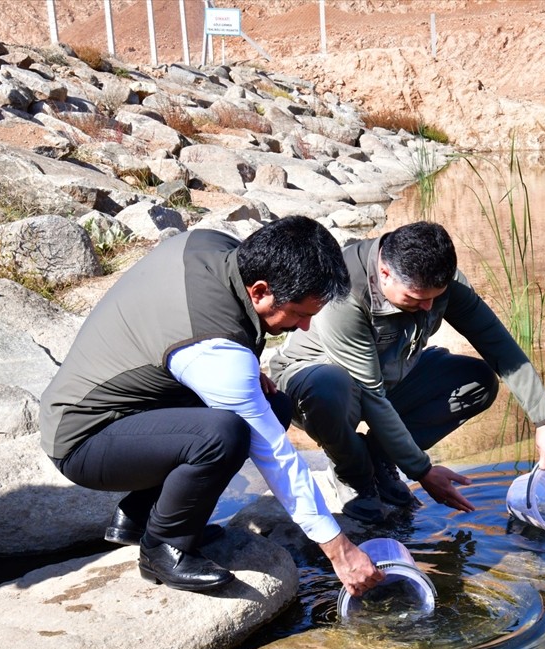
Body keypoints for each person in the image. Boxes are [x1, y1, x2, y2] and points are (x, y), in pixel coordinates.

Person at [39, 216, 384, 596]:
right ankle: (162, 548)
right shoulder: (215, 348)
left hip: (126, 410)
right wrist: (339, 550)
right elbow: (276, 456)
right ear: (260, 292)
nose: (303, 327)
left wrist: (246, 370)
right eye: (301, 314)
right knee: (224, 435)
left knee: (272, 405)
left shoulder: (213, 246)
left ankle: (141, 517)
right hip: (84, 440)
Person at [267, 220, 545, 524]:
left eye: (434, 298)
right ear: (384, 272)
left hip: (386, 379)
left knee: (477, 382)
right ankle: (353, 474)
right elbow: (371, 395)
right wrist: (422, 470)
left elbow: (496, 342)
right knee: (330, 387)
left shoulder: (440, 283)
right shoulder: (345, 292)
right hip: (316, 383)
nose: (428, 307)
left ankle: (378, 456)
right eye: (415, 299)